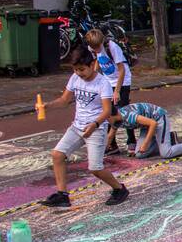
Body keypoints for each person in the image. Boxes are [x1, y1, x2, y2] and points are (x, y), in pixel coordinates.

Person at [37, 47, 128, 208]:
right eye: (75, 69)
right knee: (57, 155)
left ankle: (119, 189)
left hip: (96, 129)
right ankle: (63, 195)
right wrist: (46, 105)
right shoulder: (75, 78)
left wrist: (95, 124)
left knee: (95, 168)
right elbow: (64, 100)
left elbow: (107, 111)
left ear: (92, 64)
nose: (79, 73)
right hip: (77, 127)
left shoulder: (103, 83)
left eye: (82, 69)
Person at [85, 29, 135, 155]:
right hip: (108, 81)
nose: (96, 50)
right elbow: (97, 60)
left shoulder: (112, 47)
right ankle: (112, 145)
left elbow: (122, 70)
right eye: (94, 48)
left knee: (123, 112)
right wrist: (94, 78)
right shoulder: (92, 47)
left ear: (102, 42)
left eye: (98, 47)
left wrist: (117, 91)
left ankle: (131, 141)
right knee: (107, 112)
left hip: (122, 82)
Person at [109, 102, 182, 159]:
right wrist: (102, 155)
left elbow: (153, 123)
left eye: (106, 118)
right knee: (139, 154)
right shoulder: (115, 120)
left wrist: (145, 144)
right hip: (146, 125)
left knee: (166, 153)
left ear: (111, 115)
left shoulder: (128, 116)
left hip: (158, 118)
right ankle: (169, 139)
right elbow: (110, 136)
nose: (105, 121)